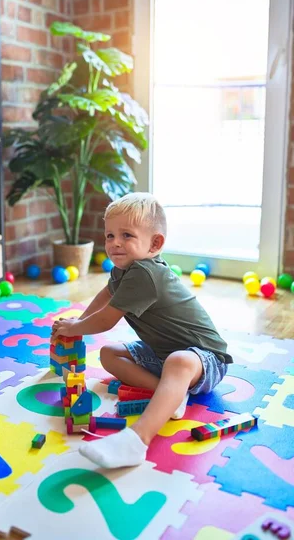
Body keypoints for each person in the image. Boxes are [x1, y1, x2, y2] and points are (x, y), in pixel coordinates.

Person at [51, 192, 232, 469]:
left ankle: (136, 441)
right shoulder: (123, 270)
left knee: (179, 360)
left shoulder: (145, 273)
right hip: (164, 357)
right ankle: (171, 394)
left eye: (126, 235)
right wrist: (77, 328)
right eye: (109, 236)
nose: (115, 244)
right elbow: (105, 296)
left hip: (206, 360)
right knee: (109, 354)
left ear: (155, 243)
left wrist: (77, 326)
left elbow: (106, 320)